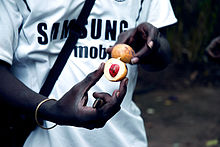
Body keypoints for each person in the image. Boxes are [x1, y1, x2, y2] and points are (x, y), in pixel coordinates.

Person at [0, 0, 177, 147]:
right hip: (35, 139)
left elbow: (161, 57)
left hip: (122, 139)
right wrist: (51, 110)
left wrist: (152, 46)